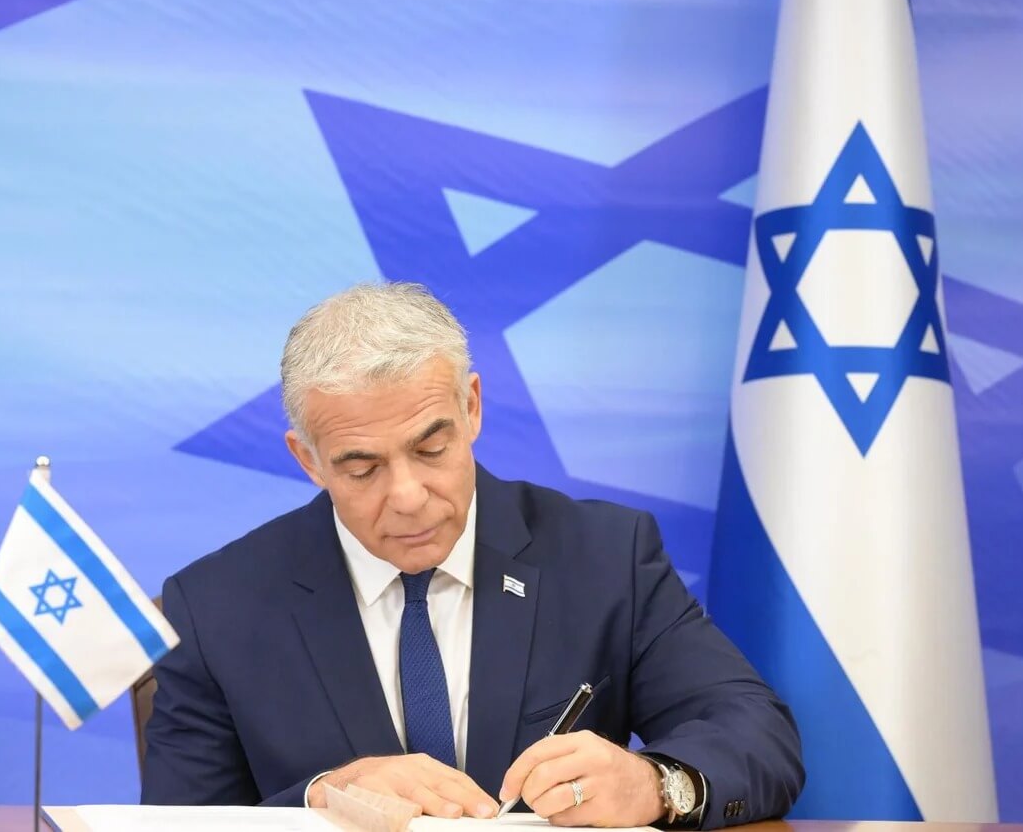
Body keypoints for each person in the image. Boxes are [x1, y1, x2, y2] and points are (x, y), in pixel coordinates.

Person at [142, 282, 803, 827]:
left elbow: (756, 733)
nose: (407, 495)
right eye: (362, 467)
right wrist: (320, 796)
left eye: (431, 448)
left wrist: (657, 784)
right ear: (308, 459)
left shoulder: (605, 558)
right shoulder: (215, 607)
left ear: (473, 408)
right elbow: (176, 821)